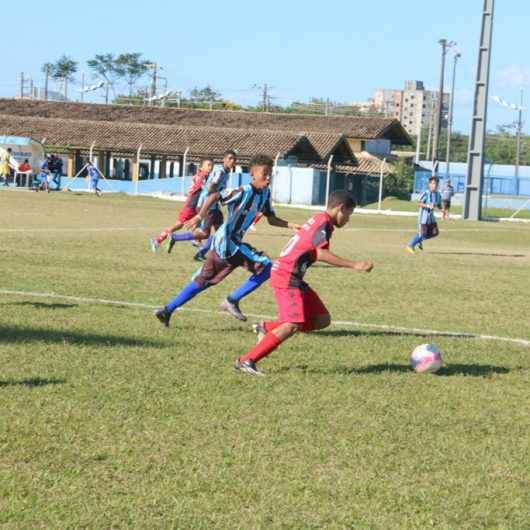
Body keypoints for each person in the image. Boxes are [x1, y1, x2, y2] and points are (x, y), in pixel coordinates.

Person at [234, 191, 374, 376]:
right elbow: (320, 253)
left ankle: (266, 327)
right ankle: (246, 361)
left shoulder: (321, 220)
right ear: (341, 208)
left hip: (294, 276)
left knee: (321, 319)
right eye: (348, 214)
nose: (348, 219)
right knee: (292, 324)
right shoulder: (323, 222)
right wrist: (354, 264)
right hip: (287, 275)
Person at [154, 154, 300, 326]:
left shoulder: (265, 195)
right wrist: (200, 216)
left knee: (203, 281)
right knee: (268, 267)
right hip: (228, 242)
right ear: (253, 174)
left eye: (270, 174)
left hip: (227, 245)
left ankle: (167, 310)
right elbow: (215, 196)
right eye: (264, 173)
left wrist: (291, 225)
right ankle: (231, 300)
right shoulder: (243, 191)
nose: (268, 178)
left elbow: (271, 218)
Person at [165, 150, 237, 261]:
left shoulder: (225, 172)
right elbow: (211, 188)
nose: (232, 161)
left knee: (220, 232)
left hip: (214, 206)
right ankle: (175, 237)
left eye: (234, 159)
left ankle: (207, 254)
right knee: (204, 234)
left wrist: (222, 195)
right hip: (207, 205)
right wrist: (222, 194)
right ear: (224, 159)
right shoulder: (220, 172)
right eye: (230, 158)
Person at [149, 158, 213, 253]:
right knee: (178, 225)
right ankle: (157, 240)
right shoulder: (202, 176)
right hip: (192, 204)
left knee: (200, 222)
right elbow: (202, 187)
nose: (210, 168)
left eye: (212, 165)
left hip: (197, 205)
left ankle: (197, 240)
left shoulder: (204, 176)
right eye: (208, 165)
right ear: (201, 167)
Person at [406, 176, 442, 254]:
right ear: (429, 184)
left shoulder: (438, 194)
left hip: (431, 218)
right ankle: (410, 245)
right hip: (423, 218)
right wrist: (427, 205)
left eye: (435, 184)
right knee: (423, 234)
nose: (434, 185)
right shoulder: (426, 193)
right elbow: (419, 203)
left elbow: (439, 204)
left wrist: (443, 210)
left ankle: (419, 240)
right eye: (432, 183)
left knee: (435, 233)